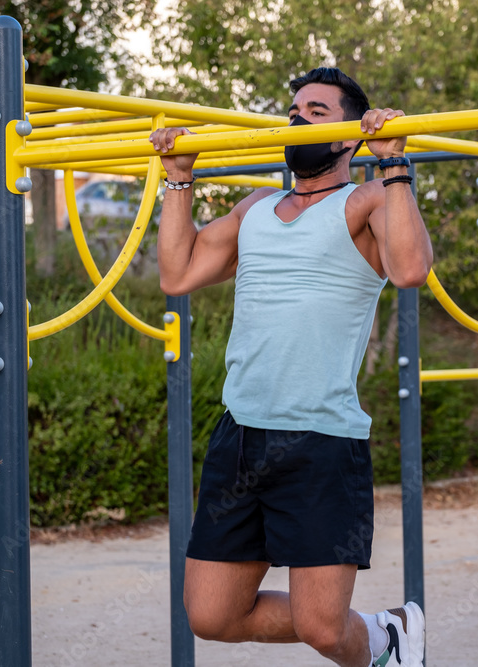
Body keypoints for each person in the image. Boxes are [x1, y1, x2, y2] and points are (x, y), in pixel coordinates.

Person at [151, 67, 432, 667]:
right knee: (211, 616)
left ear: (347, 136)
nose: (298, 117)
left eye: (316, 111)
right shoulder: (257, 206)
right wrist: (179, 181)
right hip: (242, 436)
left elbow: (410, 269)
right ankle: (383, 630)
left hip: (321, 440)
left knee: (324, 630)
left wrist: (395, 165)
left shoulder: (367, 201)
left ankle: (382, 644)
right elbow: (177, 275)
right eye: (295, 108)